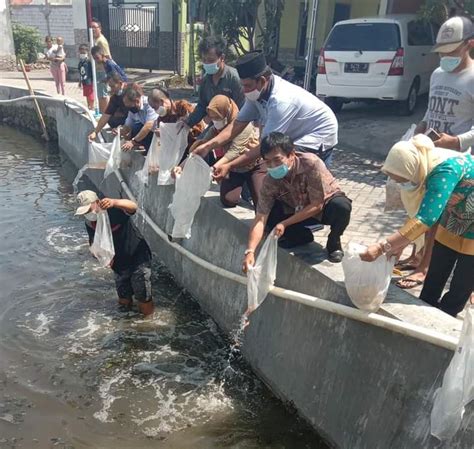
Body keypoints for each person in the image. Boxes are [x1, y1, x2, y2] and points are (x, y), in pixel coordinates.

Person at [361, 135, 473, 317]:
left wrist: (384, 246)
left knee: (463, 280)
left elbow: (425, 219)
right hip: (455, 216)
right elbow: (425, 214)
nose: (401, 184)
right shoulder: (426, 164)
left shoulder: (444, 170)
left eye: (402, 179)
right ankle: (426, 313)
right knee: (437, 270)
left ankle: (445, 320)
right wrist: (400, 244)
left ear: (412, 167)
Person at [399, 16, 474, 289]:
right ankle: (415, 255)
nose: (446, 56)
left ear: (469, 45)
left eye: (452, 51)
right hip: (429, 151)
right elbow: (431, 110)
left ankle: (425, 267)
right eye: (442, 51)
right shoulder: (438, 74)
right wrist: (418, 129)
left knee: (437, 215)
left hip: (457, 161)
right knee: (417, 204)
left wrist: (457, 141)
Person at [194, 51, 339, 178]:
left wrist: (229, 165)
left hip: (318, 134)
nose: (244, 91)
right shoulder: (256, 94)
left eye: (247, 85)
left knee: (291, 170)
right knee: (278, 170)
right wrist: (208, 146)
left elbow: (264, 148)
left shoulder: (281, 102)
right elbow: (237, 125)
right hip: (295, 132)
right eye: (242, 85)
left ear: (262, 81)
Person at [242, 133, 352, 269]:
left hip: (322, 208)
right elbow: (260, 218)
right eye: (268, 162)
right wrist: (250, 251)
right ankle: (300, 235)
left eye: (277, 160)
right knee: (269, 213)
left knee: (341, 206)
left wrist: (284, 223)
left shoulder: (311, 164)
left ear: (291, 154)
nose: (273, 166)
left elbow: (317, 204)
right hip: (295, 210)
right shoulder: (270, 180)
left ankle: (334, 240)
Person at [75, 190, 154, 316]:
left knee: (142, 295)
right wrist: (101, 256)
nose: (88, 214)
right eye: (85, 212)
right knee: (123, 297)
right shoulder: (89, 222)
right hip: (118, 261)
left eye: (89, 210)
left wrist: (114, 202)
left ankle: (148, 326)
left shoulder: (113, 210)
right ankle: (126, 323)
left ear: (97, 202)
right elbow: (93, 243)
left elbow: (133, 207)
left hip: (136, 255)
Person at [177, 95, 265, 208]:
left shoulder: (244, 125)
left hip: (253, 165)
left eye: (217, 117)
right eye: (213, 117)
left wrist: (213, 168)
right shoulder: (215, 129)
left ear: (227, 113)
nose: (215, 121)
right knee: (228, 199)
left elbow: (234, 152)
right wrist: (181, 167)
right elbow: (202, 147)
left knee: (261, 203)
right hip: (234, 168)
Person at [180, 36, 245, 131]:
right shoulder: (206, 80)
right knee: (198, 144)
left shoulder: (234, 79)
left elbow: (242, 109)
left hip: (236, 126)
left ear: (222, 58)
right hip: (215, 125)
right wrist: (188, 121)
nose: (206, 63)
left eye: (210, 60)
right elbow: (202, 106)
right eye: (204, 60)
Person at [88, 73, 128, 142]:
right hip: (124, 118)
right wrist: (95, 132)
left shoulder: (130, 91)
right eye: (110, 87)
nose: (111, 90)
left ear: (120, 83)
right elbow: (106, 115)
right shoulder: (115, 97)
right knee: (111, 120)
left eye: (113, 86)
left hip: (135, 120)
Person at [120, 84, 158, 152]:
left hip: (159, 132)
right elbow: (128, 125)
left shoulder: (149, 104)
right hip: (150, 131)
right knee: (135, 129)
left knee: (141, 130)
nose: (129, 108)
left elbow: (149, 125)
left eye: (130, 106)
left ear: (137, 101)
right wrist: (122, 132)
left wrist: (133, 141)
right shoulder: (132, 109)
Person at [91, 19, 112, 112]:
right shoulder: (96, 40)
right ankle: (102, 112)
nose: (93, 30)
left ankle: (105, 114)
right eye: (91, 28)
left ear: (100, 28)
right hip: (99, 70)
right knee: (100, 93)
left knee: (103, 94)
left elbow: (107, 57)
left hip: (102, 70)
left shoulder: (101, 41)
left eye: (95, 27)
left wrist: (108, 71)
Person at [78, 44, 94, 110]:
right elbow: (80, 72)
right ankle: (88, 107)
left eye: (84, 52)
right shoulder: (80, 62)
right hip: (84, 81)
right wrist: (79, 81)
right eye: (81, 52)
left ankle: (92, 107)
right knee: (87, 94)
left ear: (87, 52)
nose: (82, 54)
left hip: (89, 80)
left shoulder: (89, 62)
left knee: (90, 94)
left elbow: (91, 71)